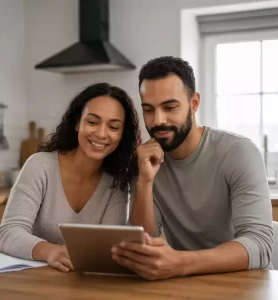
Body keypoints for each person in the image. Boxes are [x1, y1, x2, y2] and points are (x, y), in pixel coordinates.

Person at [111, 56, 273, 280]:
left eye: (170, 107)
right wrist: (145, 182)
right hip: (186, 283)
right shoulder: (144, 161)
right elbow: (143, 243)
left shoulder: (238, 152)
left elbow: (261, 245)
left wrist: (181, 262)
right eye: (148, 109)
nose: (158, 120)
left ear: (194, 103)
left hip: (245, 283)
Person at [0, 83, 141, 272]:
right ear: (77, 123)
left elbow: (107, 247)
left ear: (122, 135)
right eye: (92, 122)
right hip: (32, 281)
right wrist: (50, 252)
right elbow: (8, 233)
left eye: (113, 127)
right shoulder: (40, 165)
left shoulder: (116, 183)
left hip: (83, 282)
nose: (101, 133)